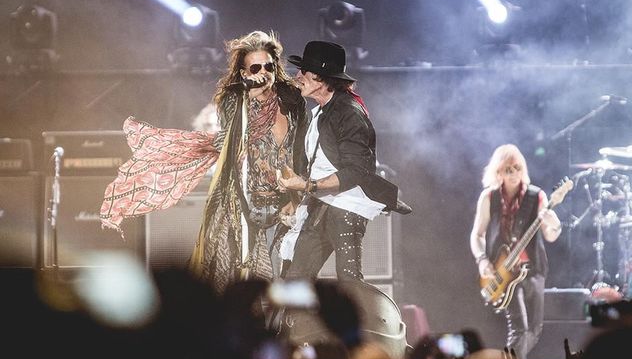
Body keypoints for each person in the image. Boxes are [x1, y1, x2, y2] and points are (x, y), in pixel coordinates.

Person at [100, 31, 309, 294]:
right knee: (240, 281)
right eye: (255, 68)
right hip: (241, 203)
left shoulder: (292, 100)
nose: (263, 73)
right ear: (243, 72)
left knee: (284, 283)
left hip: (283, 201)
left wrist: (296, 197)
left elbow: (301, 151)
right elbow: (232, 134)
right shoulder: (234, 98)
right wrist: (247, 93)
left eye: (268, 66)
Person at [277, 41, 409, 283]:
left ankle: (356, 310)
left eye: (304, 71)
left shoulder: (349, 113)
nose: (298, 77)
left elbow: (356, 171)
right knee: (295, 279)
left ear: (320, 78)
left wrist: (306, 186)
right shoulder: (321, 112)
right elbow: (320, 164)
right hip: (321, 204)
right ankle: (300, 311)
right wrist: (299, 196)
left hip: (347, 206)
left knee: (349, 281)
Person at [469, 144, 562, 359]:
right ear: (498, 172)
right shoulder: (489, 197)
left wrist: (554, 224)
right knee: (520, 329)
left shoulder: (536, 196)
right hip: (506, 272)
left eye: (518, 168)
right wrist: (482, 260)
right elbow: (477, 234)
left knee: (535, 331)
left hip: (533, 269)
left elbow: (550, 236)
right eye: (508, 169)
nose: (514, 174)